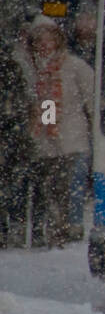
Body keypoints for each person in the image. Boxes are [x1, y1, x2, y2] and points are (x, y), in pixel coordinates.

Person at [12, 15, 94, 247]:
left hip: (75, 139)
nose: (44, 45)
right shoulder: (31, 71)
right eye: (39, 40)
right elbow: (43, 107)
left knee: (74, 188)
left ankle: (73, 228)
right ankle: (56, 229)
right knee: (54, 190)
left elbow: (92, 100)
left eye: (49, 39)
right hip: (48, 144)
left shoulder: (75, 66)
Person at [0, 42, 35, 247]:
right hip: (17, 134)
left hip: (20, 135)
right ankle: (12, 227)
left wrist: (46, 129)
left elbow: (46, 102)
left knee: (19, 184)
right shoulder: (17, 69)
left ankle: (16, 227)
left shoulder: (19, 70)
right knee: (15, 184)